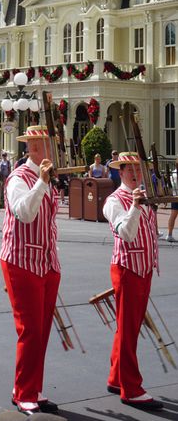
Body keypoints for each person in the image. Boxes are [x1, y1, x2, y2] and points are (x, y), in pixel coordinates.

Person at [0, 125, 61, 415]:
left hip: (46, 261)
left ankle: (30, 387)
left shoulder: (46, 178)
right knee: (30, 330)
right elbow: (23, 213)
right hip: (22, 259)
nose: (56, 150)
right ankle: (24, 392)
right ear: (36, 147)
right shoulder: (18, 178)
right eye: (51, 145)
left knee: (42, 330)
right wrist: (41, 183)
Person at [102, 152, 162, 410]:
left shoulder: (144, 194)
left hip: (144, 267)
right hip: (127, 267)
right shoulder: (114, 200)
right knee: (128, 329)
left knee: (129, 326)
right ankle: (131, 388)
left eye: (139, 168)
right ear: (121, 171)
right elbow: (125, 232)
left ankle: (116, 378)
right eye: (131, 169)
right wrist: (136, 207)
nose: (136, 173)